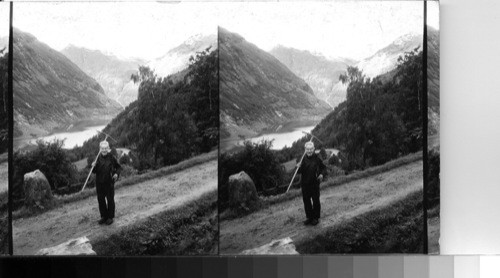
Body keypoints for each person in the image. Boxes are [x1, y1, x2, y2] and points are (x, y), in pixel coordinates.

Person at [296, 141, 327, 226]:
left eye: (311, 149)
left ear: (313, 149)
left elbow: (324, 168)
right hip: (305, 184)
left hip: (314, 183)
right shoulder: (302, 159)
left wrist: (321, 174)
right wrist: (298, 167)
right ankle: (309, 217)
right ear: (305, 150)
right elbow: (299, 172)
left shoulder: (317, 158)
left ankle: (316, 218)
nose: (309, 151)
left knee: (316, 200)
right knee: (306, 201)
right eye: (307, 149)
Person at [92, 140, 122, 225]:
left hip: (109, 182)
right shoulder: (97, 158)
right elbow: (94, 171)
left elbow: (119, 167)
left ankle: (110, 217)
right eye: (102, 148)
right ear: (100, 149)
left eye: (105, 148)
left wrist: (116, 174)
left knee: (110, 200)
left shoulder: (111, 157)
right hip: (99, 183)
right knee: (101, 200)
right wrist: (93, 166)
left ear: (108, 148)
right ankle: (104, 217)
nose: (104, 150)